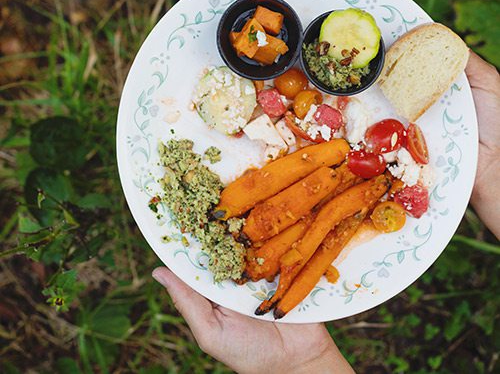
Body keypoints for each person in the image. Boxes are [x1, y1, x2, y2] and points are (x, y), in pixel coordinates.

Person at [152, 51, 500, 374]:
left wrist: (303, 363)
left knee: (324, 222)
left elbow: (324, 222)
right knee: (318, 217)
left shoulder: (351, 176)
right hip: (312, 185)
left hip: (332, 183)